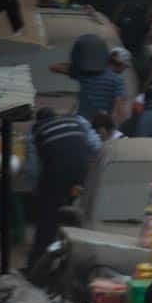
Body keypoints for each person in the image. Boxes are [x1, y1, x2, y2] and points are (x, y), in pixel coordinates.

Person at [26, 106, 99, 266]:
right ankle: (88, 255)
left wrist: (36, 190)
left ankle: (36, 262)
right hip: (82, 171)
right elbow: (97, 146)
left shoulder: (35, 130)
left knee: (47, 217)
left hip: (56, 173)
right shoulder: (78, 120)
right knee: (85, 212)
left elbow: (32, 168)